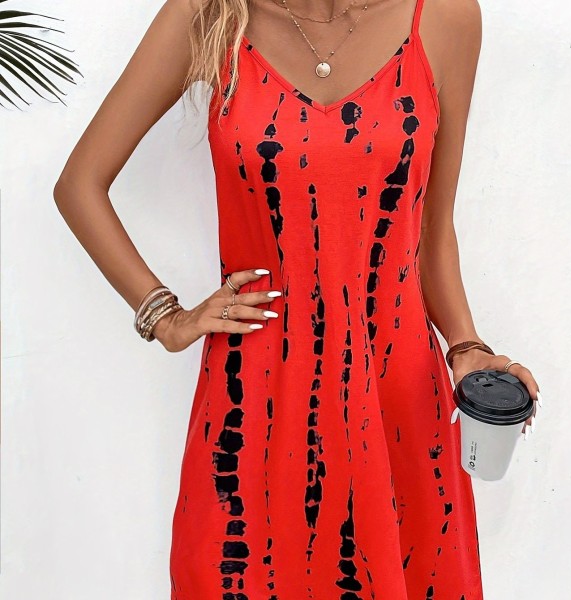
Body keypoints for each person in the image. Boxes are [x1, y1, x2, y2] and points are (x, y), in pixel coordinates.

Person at [54, 0, 543, 598]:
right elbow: (79, 184)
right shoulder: (210, 14)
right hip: (254, 398)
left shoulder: (443, 17)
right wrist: (167, 317)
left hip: (394, 394)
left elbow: (430, 233)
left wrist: (467, 347)